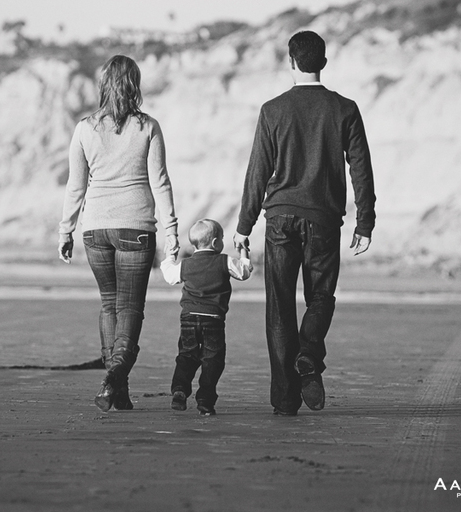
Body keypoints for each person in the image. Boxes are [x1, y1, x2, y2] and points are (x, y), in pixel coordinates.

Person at [233, 31, 376, 416]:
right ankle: (309, 353)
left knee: (279, 306)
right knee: (321, 296)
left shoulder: (273, 110)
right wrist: (366, 220)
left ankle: (285, 398)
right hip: (324, 219)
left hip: (279, 217)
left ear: (290, 62)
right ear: (323, 63)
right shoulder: (345, 108)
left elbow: (258, 172)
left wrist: (243, 227)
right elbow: (360, 168)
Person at [58, 55, 179, 412]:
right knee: (130, 307)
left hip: (94, 228)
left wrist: (65, 230)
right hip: (136, 228)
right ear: (135, 85)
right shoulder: (148, 127)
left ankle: (118, 389)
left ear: (103, 85)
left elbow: (75, 187)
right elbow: (161, 183)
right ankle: (114, 374)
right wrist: (172, 234)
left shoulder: (84, 128)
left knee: (110, 304)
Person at [160, 219, 253, 416]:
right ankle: (205, 398)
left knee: (186, 356)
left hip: (188, 319)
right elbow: (244, 272)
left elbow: (169, 276)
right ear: (215, 243)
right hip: (214, 319)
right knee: (213, 359)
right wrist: (243, 252)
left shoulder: (186, 264)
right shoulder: (224, 261)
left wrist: (170, 256)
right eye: (221, 239)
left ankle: (179, 390)